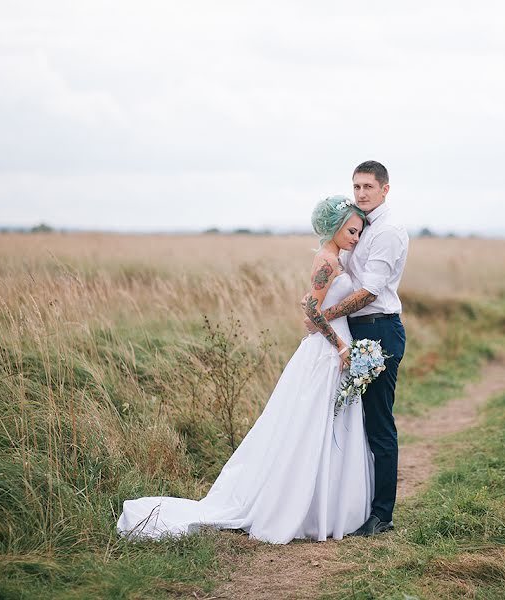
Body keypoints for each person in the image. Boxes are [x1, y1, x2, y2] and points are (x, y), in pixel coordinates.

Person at [116, 196, 375, 544]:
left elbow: (312, 303)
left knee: (332, 423)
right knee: (310, 424)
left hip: (336, 349)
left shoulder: (334, 260)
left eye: (359, 233)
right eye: (352, 231)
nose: (356, 238)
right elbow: (312, 311)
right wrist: (341, 345)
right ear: (336, 226)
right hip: (328, 352)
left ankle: (327, 506)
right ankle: (299, 506)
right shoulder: (326, 261)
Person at [303, 160, 409, 537]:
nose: (361, 193)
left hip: (379, 331)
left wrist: (321, 316)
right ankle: (347, 506)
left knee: (378, 425)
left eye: (368, 186)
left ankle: (382, 514)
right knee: (348, 425)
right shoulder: (358, 227)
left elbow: (370, 292)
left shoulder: (389, 231)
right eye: (356, 186)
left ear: (385, 189)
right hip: (350, 335)